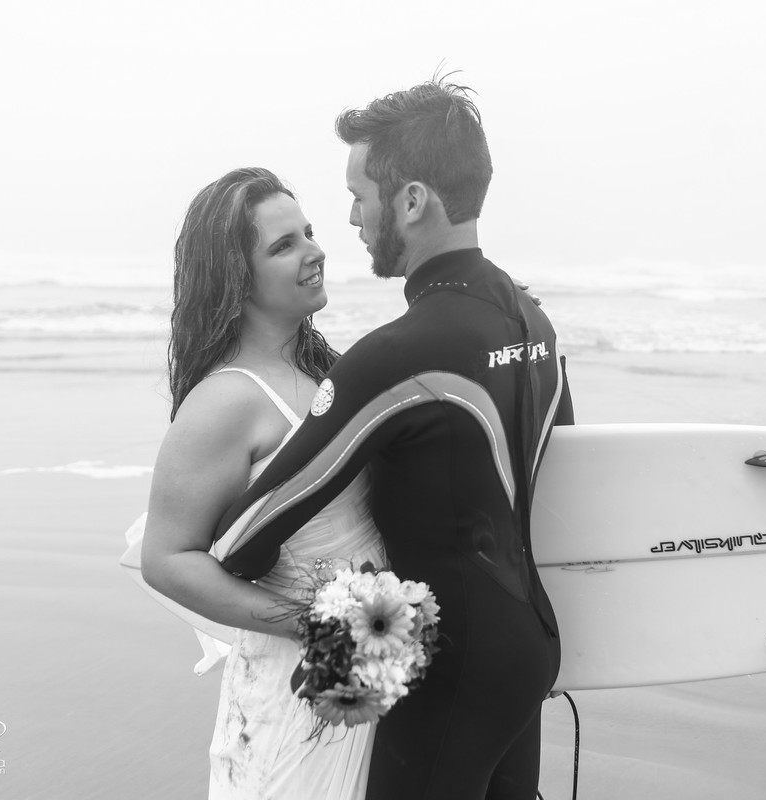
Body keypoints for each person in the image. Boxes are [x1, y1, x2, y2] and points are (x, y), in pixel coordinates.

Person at [213, 78, 575, 799]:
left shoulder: (399, 356)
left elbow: (245, 539)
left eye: (359, 195)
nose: (350, 216)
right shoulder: (532, 322)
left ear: (411, 201)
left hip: (452, 673)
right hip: (528, 649)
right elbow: (559, 458)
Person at [138, 167, 384, 799]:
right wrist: (309, 623)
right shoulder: (226, 401)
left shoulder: (331, 372)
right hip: (292, 686)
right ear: (236, 279)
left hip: (365, 672)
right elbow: (166, 560)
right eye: (284, 245)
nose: (315, 250)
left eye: (308, 232)